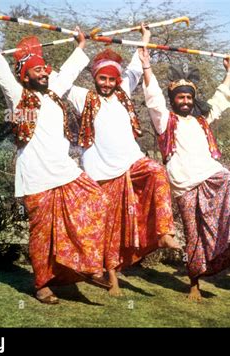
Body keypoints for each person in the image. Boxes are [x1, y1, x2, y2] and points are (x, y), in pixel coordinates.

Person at [0, 2, 108, 304]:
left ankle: (88, 264)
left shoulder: (53, 91)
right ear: (25, 76)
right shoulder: (19, 96)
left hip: (64, 169)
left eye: (44, 69)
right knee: (41, 234)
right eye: (37, 70)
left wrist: (81, 46)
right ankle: (42, 284)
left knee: (97, 199)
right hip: (35, 175)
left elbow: (68, 72)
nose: (44, 73)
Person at [66, 26, 179, 296]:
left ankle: (164, 231)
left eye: (111, 79)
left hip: (132, 162)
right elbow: (62, 81)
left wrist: (146, 39)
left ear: (117, 81)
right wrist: (78, 48)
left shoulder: (123, 93)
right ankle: (113, 279)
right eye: (102, 79)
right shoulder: (84, 97)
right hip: (102, 174)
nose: (106, 83)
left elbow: (137, 63)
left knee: (157, 171)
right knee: (110, 230)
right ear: (95, 78)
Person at [140, 48, 230, 301]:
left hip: (210, 176)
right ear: (174, 99)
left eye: (189, 97)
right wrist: (147, 67)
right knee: (193, 235)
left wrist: (229, 73)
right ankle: (194, 285)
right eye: (181, 98)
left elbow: (220, 101)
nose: (186, 101)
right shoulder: (165, 121)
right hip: (184, 185)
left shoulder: (201, 120)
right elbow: (154, 99)